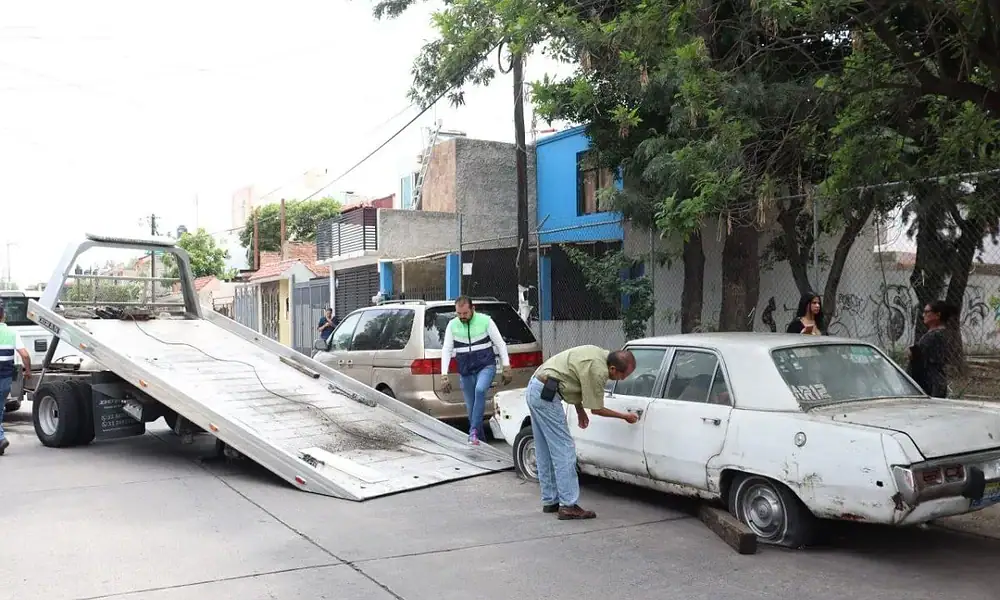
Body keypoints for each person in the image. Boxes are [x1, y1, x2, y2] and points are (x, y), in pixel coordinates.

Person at [527, 345, 637, 520]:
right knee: (565, 450)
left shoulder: (599, 354)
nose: (622, 380)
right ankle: (568, 505)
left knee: (545, 449)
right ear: (613, 368)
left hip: (537, 387)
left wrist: (579, 411)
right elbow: (597, 409)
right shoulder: (599, 371)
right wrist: (624, 416)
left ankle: (550, 500)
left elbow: (574, 380)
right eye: (623, 376)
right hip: (547, 395)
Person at [440, 296, 512, 445]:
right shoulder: (452, 325)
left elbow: (500, 343)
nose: (462, 317)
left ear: (473, 309)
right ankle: (480, 439)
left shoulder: (486, 321)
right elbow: (447, 349)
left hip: (486, 365)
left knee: (480, 390)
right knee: (471, 407)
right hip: (466, 370)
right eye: (459, 314)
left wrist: (506, 366)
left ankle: (472, 431)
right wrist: (444, 375)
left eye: (465, 313)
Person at [0, 303, 32, 456]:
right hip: (6, 377)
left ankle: (0, 438)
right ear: (3, 315)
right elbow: (25, 355)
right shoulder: (12, 333)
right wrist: (28, 370)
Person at [908, 300, 955, 398]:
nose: (923, 315)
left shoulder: (934, 336)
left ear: (937, 315)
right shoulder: (942, 334)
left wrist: (911, 353)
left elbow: (918, 357)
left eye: (926, 312)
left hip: (929, 384)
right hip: (935, 383)